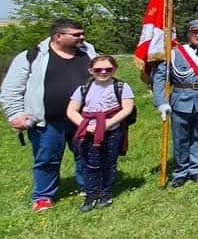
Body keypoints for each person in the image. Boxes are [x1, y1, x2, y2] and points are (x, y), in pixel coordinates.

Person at [2, 19, 97, 211]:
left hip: (82, 118)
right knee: (47, 159)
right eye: (76, 34)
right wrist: (15, 114)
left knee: (86, 154)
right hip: (47, 122)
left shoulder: (89, 52)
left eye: (82, 33)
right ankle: (43, 196)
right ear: (58, 36)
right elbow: (11, 89)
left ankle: (89, 187)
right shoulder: (31, 56)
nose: (82, 37)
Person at [153, 19, 198, 186]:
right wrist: (161, 102)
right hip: (180, 100)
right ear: (189, 34)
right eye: (195, 32)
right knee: (180, 138)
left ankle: (196, 170)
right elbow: (160, 78)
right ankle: (180, 171)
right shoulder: (174, 53)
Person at [66, 55, 134, 213]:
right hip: (88, 131)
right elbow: (71, 110)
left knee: (109, 162)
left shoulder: (121, 87)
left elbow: (127, 108)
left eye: (108, 69)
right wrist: (86, 125)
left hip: (113, 131)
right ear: (91, 71)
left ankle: (105, 192)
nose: (103, 72)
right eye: (98, 69)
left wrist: (108, 124)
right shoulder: (83, 88)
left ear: (114, 69)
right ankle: (91, 194)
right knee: (90, 163)